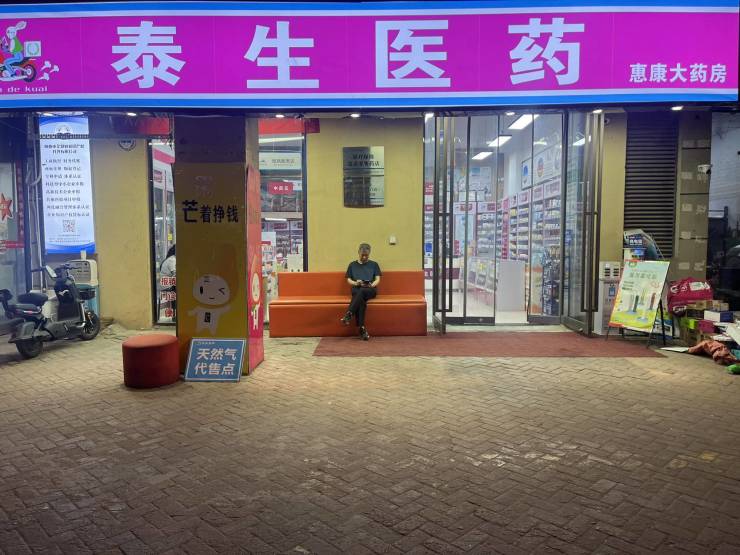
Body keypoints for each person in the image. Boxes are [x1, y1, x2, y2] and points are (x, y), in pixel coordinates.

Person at [341, 243, 381, 340]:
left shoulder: (374, 264)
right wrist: (356, 283)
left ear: (369, 253)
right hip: (357, 288)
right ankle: (361, 328)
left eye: (366, 255)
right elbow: (348, 279)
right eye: (362, 255)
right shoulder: (352, 265)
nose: (364, 257)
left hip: (370, 289)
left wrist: (371, 284)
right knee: (361, 300)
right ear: (358, 252)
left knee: (362, 291)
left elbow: (377, 279)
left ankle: (349, 313)